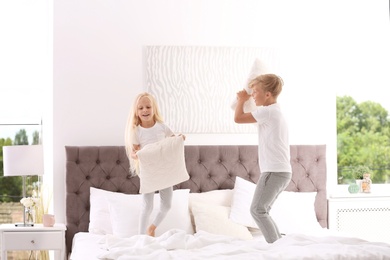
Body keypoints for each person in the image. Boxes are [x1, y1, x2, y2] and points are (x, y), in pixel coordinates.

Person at [234, 74, 292, 243]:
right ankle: (280, 244)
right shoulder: (274, 112)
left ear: (267, 94)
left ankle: (277, 248)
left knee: (257, 210)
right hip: (280, 171)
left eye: (255, 91)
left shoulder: (267, 112)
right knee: (262, 210)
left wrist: (241, 99)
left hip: (274, 171)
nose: (252, 95)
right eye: (251, 92)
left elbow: (238, 118)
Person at [124, 92, 185, 237]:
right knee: (147, 206)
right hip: (148, 172)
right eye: (141, 108)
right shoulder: (136, 131)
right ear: (136, 112)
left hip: (164, 170)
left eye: (148, 107)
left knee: (167, 204)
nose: (145, 110)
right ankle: (140, 237)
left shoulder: (162, 127)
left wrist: (180, 138)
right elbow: (134, 153)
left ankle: (152, 228)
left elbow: (173, 141)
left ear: (153, 108)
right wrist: (137, 154)